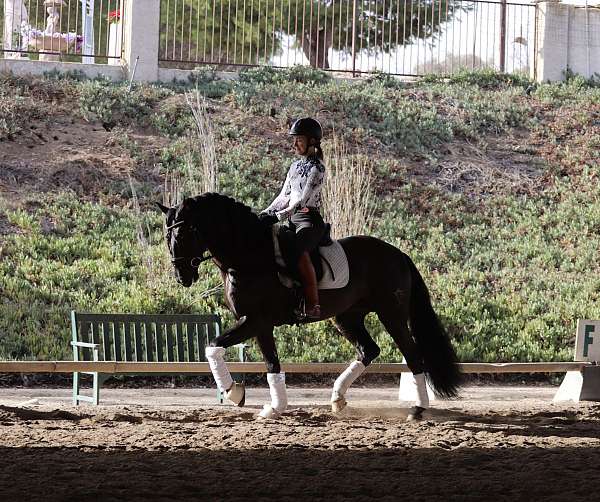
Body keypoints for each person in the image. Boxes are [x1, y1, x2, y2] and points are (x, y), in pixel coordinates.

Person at [262, 117, 326, 320]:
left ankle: (313, 303)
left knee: (298, 248)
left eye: (299, 140)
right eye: (295, 139)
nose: (294, 144)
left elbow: (302, 201)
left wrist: (278, 217)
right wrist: (265, 213)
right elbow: (284, 196)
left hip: (309, 219)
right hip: (291, 218)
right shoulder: (294, 167)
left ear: (312, 142)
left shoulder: (318, 168)